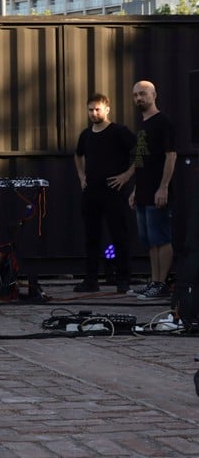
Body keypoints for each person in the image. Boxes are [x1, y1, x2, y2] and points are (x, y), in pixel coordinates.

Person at [73, 93, 136, 293]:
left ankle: (123, 280)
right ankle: (91, 280)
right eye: (90, 109)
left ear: (107, 109)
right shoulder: (86, 135)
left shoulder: (119, 132)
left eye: (97, 109)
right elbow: (78, 154)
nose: (93, 113)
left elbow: (141, 151)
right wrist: (82, 176)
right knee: (91, 237)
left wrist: (127, 175)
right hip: (91, 192)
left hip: (113, 192)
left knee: (119, 236)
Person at [128, 80, 177, 300]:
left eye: (143, 94)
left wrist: (163, 187)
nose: (139, 98)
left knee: (161, 238)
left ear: (154, 94)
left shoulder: (162, 121)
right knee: (148, 240)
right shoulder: (142, 124)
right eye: (136, 95)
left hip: (158, 191)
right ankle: (154, 281)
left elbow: (171, 155)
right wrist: (135, 190)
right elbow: (141, 161)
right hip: (143, 192)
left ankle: (161, 283)